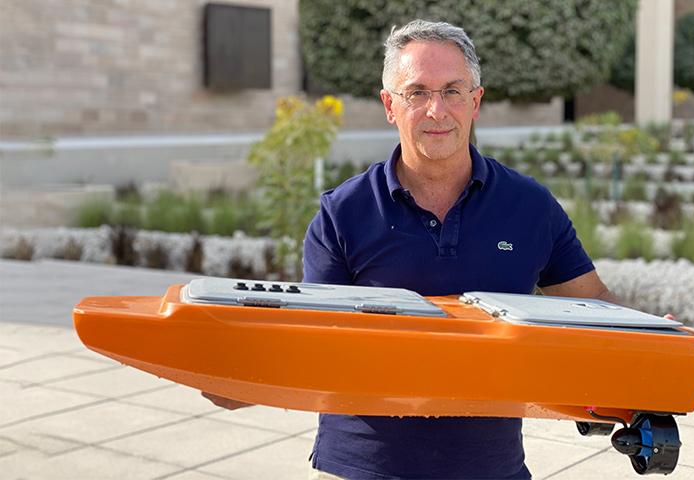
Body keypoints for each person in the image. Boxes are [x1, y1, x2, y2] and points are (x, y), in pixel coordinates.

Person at [205, 19, 620, 479]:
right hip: (361, 468)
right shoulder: (345, 212)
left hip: (491, 468)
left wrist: (648, 341)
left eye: (453, 91)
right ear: (390, 105)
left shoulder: (529, 206)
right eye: (417, 92)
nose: (436, 110)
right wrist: (241, 379)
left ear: (476, 102)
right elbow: (313, 335)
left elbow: (591, 305)